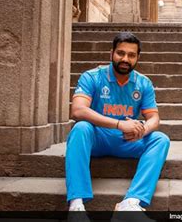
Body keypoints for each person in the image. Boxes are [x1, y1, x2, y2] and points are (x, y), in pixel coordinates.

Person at [66, 32, 170, 212]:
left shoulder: (143, 83)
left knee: (160, 139)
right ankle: (76, 204)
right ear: (111, 53)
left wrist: (143, 129)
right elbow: (78, 110)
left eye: (131, 55)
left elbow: (154, 118)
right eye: (120, 53)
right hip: (97, 137)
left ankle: (131, 203)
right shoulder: (92, 76)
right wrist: (119, 124)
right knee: (80, 128)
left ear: (138, 57)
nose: (125, 59)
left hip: (127, 139)